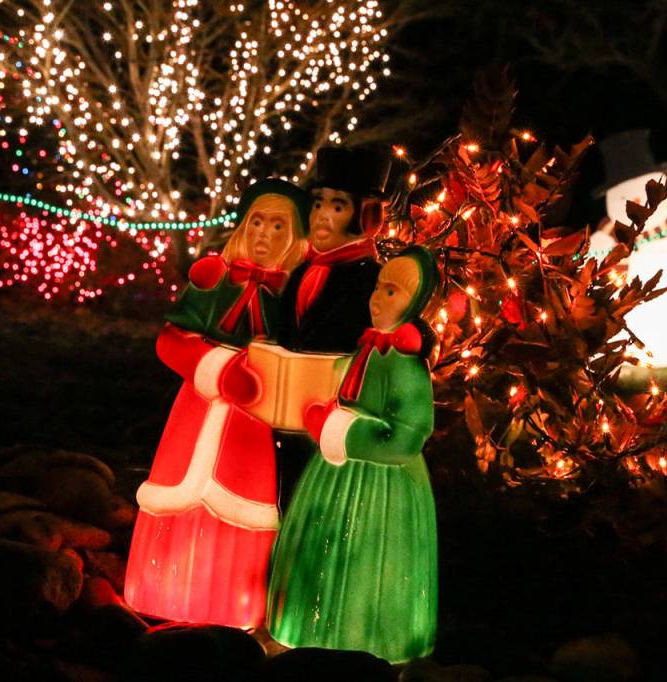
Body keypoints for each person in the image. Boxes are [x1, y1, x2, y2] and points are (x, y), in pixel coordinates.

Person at [124, 178, 309, 628]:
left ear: (297, 238)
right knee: (177, 493)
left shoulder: (296, 297)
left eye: (278, 226)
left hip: (254, 424)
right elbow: (170, 341)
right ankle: (161, 590)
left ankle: (233, 604)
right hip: (198, 409)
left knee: (242, 499)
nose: (264, 234)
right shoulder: (214, 279)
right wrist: (217, 369)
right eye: (257, 222)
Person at [267, 246, 440, 663]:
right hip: (334, 468)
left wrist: (341, 430)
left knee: (368, 562)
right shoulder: (368, 349)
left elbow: (407, 434)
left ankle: (367, 638)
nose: (377, 298)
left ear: (413, 304)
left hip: (383, 483)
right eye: (378, 288)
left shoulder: (405, 364)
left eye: (392, 292)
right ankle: (309, 632)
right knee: (322, 547)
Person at [275, 146, 392, 510]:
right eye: (318, 203)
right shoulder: (299, 273)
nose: (323, 217)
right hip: (284, 425)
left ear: (365, 214)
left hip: (334, 433)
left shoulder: (375, 281)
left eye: (338, 206)